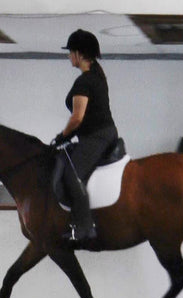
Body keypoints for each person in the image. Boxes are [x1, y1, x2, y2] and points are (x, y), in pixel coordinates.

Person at [52, 29, 119, 242]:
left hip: (97, 136)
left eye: (71, 52)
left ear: (79, 54)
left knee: (72, 174)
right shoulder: (96, 75)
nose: (69, 56)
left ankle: (84, 227)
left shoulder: (85, 81)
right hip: (101, 134)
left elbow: (77, 118)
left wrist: (61, 136)